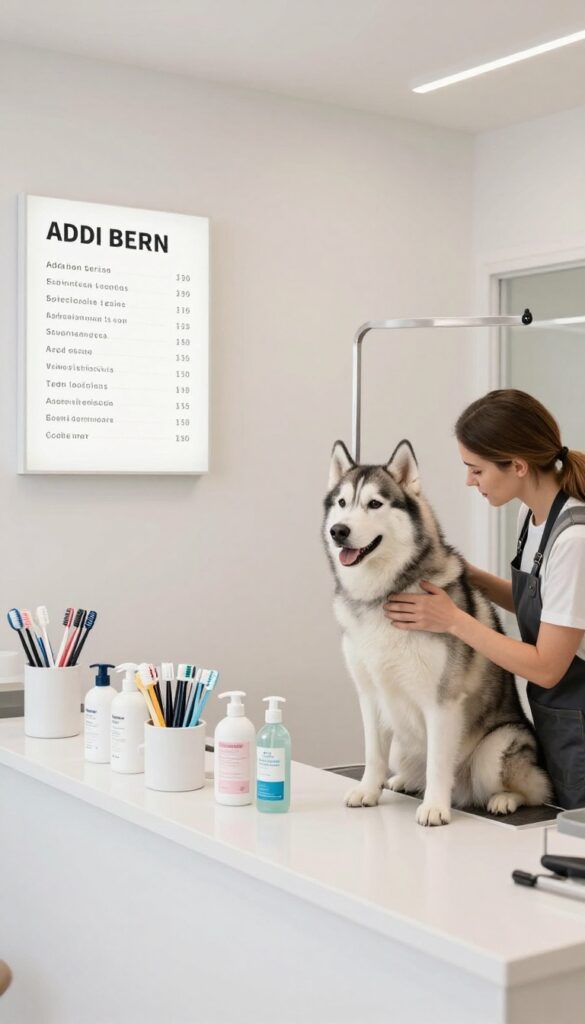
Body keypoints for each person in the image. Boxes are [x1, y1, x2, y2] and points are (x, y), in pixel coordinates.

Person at [384, 389, 585, 809]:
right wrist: (463, 574)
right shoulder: (532, 516)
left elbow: (547, 667)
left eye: (476, 470)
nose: (469, 481)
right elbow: (542, 603)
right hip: (558, 718)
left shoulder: (574, 540)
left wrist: (455, 620)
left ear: (516, 465)